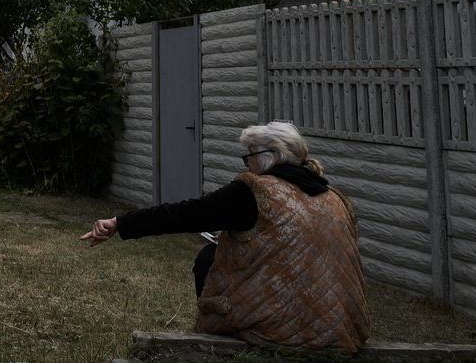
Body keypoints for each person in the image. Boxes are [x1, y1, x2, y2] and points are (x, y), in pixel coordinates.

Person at [82, 121, 370, 353]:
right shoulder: (333, 197)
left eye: (249, 156)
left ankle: (223, 346)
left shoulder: (257, 191)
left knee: (209, 258)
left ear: (270, 157)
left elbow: (188, 213)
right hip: (339, 329)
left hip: (279, 332)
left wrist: (120, 223)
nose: (246, 165)